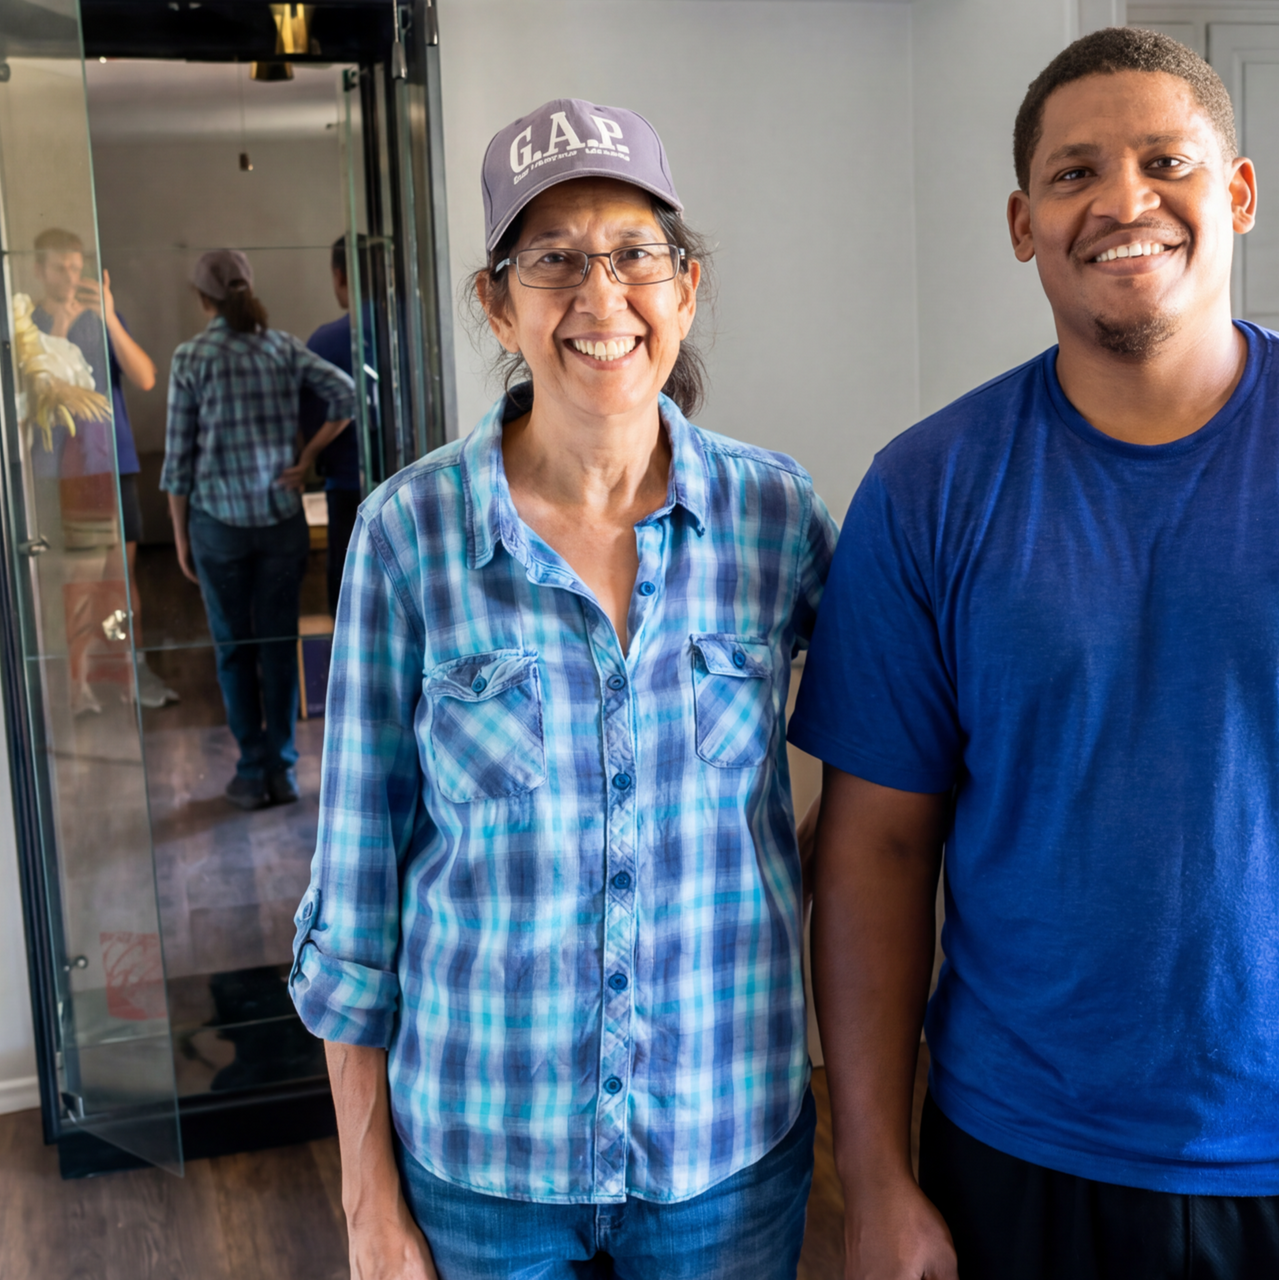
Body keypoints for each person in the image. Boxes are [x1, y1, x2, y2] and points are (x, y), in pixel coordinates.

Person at [792, 27, 1279, 1280]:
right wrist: (879, 1178)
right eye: (1073, 174)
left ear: (1238, 194)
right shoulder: (928, 489)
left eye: (1167, 160)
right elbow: (876, 846)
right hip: (1016, 1155)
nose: (1123, 200)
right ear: (1021, 222)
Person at [290, 99, 835, 1280]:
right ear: (499, 303)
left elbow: (896, 756)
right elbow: (355, 894)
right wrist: (366, 1206)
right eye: (554, 259)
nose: (601, 295)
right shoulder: (408, 534)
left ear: (684, 287)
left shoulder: (777, 519)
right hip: (485, 1169)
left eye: (635, 254)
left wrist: (799, 869)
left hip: (723, 1152)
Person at [161, 248, 356, 811]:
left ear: (204, 300)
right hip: (279, 524)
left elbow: (177, 463)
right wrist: (309, 457)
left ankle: (251, 770)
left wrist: (178, 536)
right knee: (278, 644)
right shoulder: (282, 349)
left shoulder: (191, 358)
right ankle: (285, 769)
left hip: (218, 526)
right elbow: (344, 393)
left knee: (233, 648)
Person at [29, 227, 177, 710]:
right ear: (40, 270)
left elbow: (147, 377)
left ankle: (128, 671)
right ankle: (78, 682)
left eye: (77, 266)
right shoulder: (29, 325)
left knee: (121, 580)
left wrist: (109, 317)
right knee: (79, 585)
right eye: (59, 267)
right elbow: (35, 389)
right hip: (67, 471)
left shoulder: (102, 317)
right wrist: (61, 331)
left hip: (116, 463)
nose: (70, 276)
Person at [297, 235, 363, 616]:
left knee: (347, 599)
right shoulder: (409, 331)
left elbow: (308, 416)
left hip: (345, 487)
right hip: (410, 476)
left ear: (339, 276)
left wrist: (308, 455)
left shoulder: (325, 341)